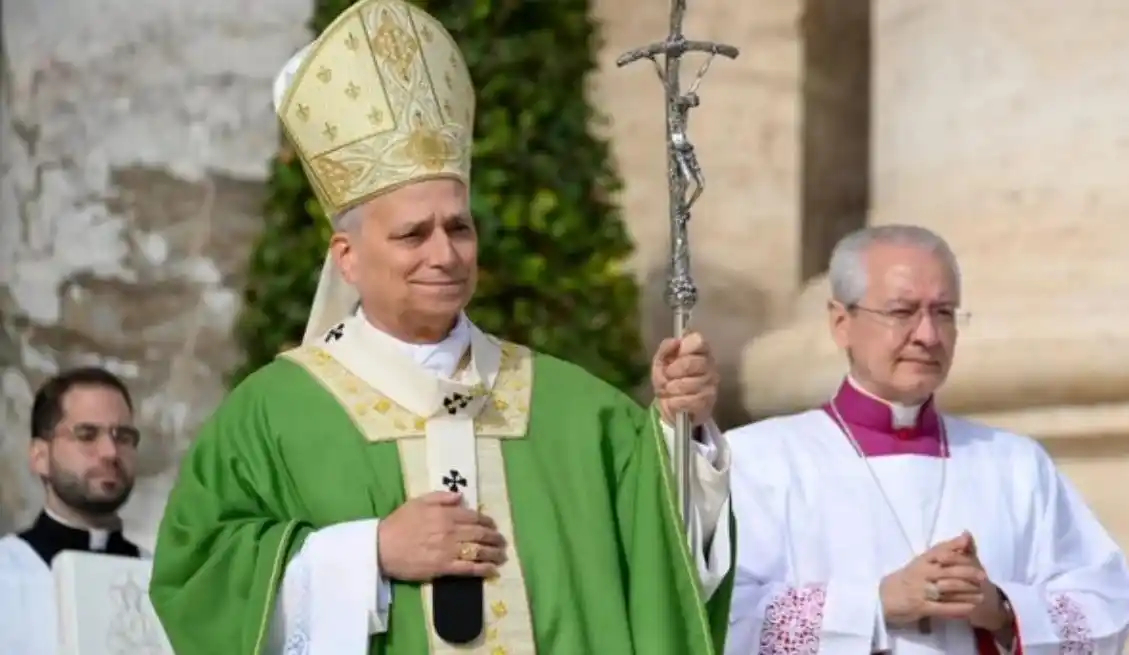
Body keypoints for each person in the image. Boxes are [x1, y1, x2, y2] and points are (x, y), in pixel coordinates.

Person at [147, 1, 735, 653]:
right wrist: (368, 552)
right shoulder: (272, 414)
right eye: (412, 234)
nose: (444, 253)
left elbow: (666, 566)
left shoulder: (578, 410)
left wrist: (683, 431)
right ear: (348, 257)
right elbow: (197, 581)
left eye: (459, 226)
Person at [724, 224, 1129, 655]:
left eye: (943, 312)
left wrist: (1000, 608)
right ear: (841, 322)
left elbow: (1105, 607)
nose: (928, 335)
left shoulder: (1016, 465)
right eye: (902, 312)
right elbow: (718, 616)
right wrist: (877, 604)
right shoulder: (758, 460)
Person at [0, 366, 144, 655]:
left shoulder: (166, 578)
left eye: (123, 436)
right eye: (87, 434)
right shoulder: (5, 572)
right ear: (40, 456)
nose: (110, 452)